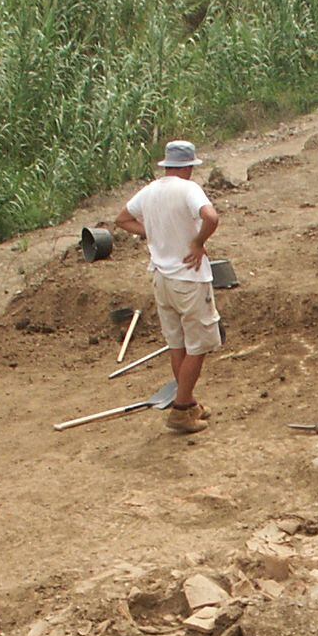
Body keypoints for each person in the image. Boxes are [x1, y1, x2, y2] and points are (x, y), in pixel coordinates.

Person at [112, 140, 221, 435]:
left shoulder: (150, 191)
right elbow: (211, 217)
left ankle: (188, 404)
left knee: (178, 344)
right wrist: (198, 242)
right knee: (199, 346)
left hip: (161, 278)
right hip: (189, 278)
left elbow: (122, 219)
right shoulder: (188, 189)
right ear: (188, 167)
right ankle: (180, 408)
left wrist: (154, 232)